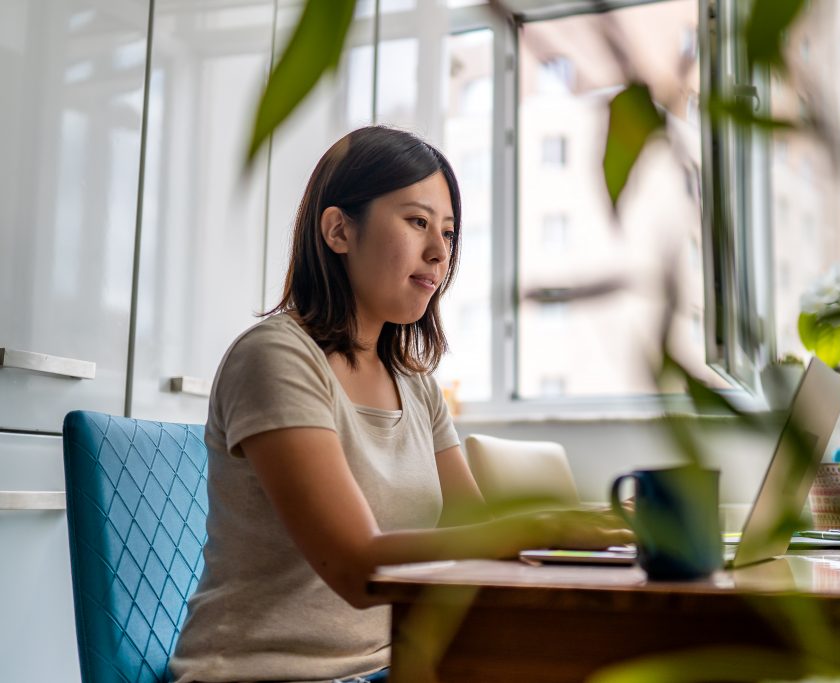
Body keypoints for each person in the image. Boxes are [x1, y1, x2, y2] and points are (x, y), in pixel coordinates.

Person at [169, 126, 632, 683]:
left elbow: (478, 540)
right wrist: (532, 529)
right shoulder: (275, 358)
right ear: (339, 230)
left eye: (449, 232)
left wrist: (583, 534)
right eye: (417, 222)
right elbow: (355, 568)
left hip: (390, 669)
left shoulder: (416, 386)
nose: (440, 252)